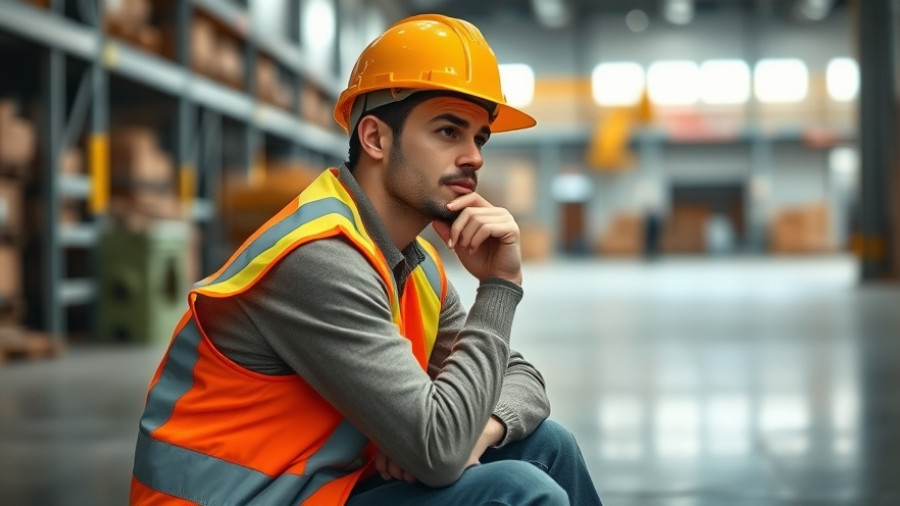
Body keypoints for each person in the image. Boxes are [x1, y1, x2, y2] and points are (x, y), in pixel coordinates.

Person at [130, 13, 602, 506]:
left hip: (315, 490)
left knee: (550, 446)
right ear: (375, 138)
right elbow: (439, 451)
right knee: (518, 490)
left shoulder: (412, 266)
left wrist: (477, 433)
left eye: (479, 138)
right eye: (448, 131)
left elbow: (521, 380)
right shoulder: (319, 257)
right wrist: (500, 287)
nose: (474, 157)